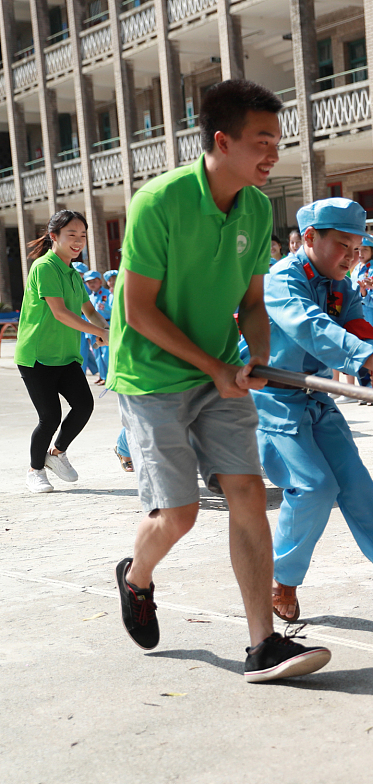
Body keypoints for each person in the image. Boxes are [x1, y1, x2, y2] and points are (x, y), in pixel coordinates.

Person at [106, 79, 329, 682]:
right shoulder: (160, 202)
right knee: (178, 515)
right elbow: (139, 310)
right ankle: (136, 577)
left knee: (248, 492)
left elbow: (253, 304)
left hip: (222, 370)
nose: (272, 154)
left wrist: (253, 360)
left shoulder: (257, 209)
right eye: (261, 141)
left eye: (276, 142)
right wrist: (213, 367)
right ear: (221, 141)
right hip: (152, 374)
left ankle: (263, 644)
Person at [249, 198, 373, 622]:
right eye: (343, 244)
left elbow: (356, 324)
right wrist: (364, 359)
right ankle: (280, 579)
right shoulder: (282, 279)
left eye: (358, 246)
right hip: (270, 398)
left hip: (314, 395)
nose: (353, 255)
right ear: (309, 238)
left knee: (358, 485)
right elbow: (309, 325)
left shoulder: (341, 283)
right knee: (313, 487)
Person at [16, 210, 108, 494]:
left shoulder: (73, 273)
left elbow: (89, 310)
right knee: (50, 417)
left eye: (82, 236)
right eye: (72, 235)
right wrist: (99, 333)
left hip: (66, 356)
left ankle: (56, 454)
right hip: (37, 356)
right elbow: (60, 312)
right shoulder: (44, 267)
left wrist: (108, 332)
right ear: (54, 237)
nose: (78, 241)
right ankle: (35, 470)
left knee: (84, 406)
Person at [84, 270, 113, 384]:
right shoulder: (90, 297)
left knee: (106, 353)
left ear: (100, 282)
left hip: (105, 326)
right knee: (97, 354)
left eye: (94, 281)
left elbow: (113, 309)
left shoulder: (106, 294)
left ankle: (109, 377)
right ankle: (103, 375)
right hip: (93, 328)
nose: (92, 284)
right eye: (88, 282)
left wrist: (104, 308)